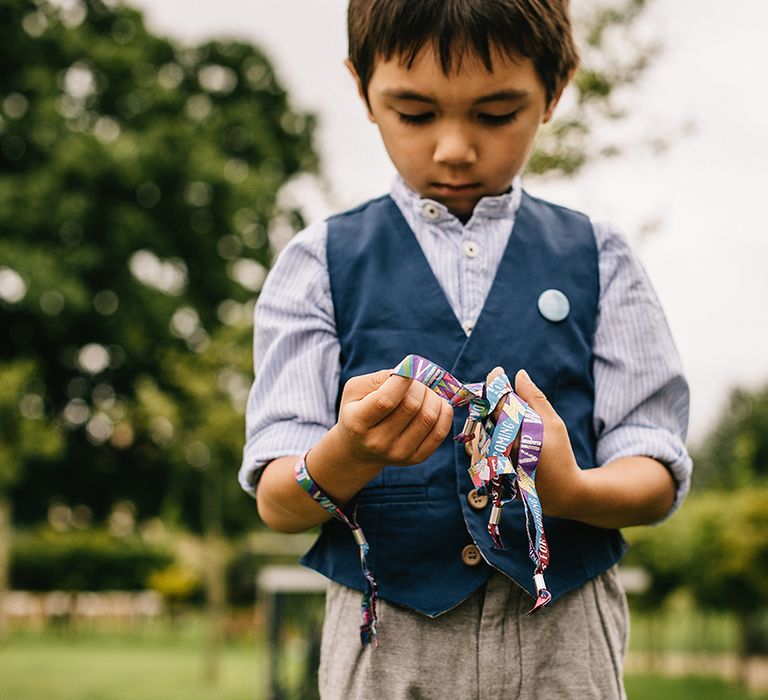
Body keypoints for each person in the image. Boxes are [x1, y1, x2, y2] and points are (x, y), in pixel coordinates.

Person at [239, 1, 692, 697]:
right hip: (386, 633)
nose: (454, 147)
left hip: (564, 632)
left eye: (495, 113)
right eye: (415, 114)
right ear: (362, 88)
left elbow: (656, 474)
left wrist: (571, 491)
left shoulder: (601, 260)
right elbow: (279, 500)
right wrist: (351, 454)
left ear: (555, 88)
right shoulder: (316, 265)